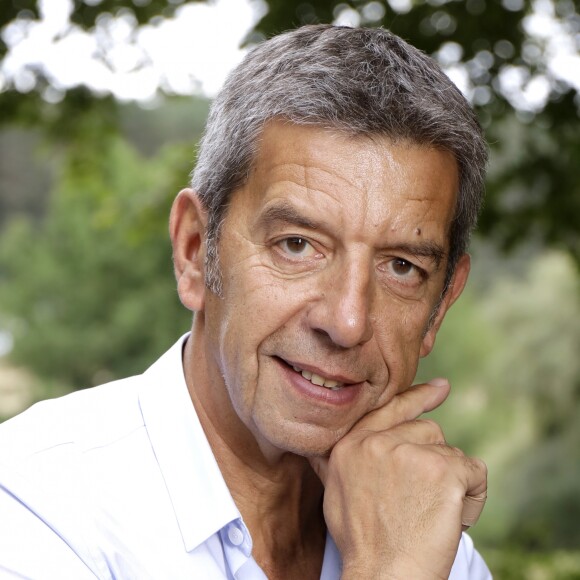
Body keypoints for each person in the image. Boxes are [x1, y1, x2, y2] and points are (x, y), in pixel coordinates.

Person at [0, 24, 490, 579]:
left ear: (440, 306)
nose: (348, 321)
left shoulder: (423, 537)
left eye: (402, 266)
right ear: (193, 253)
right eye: (298, 245)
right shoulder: (35, 506)